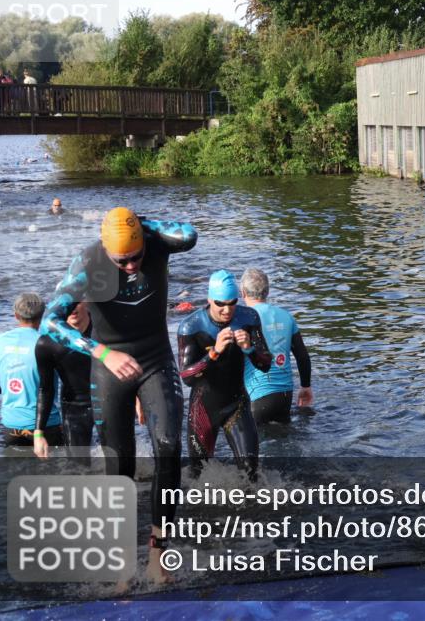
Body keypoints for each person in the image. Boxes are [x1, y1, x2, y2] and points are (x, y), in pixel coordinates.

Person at [41, 207, 197, 583]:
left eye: (136, 258)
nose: (131, 267)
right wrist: (101, 352)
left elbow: (189, 234)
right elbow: (50, 321)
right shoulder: (89, 262)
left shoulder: (156, 242)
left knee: (168, 445)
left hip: (155, 358)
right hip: (109, 364)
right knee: (119, 464)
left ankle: (159, 548)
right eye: (122, 261)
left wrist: (144, 226)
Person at [178, 270, 271, 481]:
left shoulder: (248, 317)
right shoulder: (191, 326)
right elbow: (187, 377)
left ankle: (251, 514)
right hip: (203, 409)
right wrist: (214, 352)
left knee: (251, 473)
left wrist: (249, 348)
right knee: (198, 476)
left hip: (236, 405)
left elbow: (265, 364)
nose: (227, 309)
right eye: (220, 304)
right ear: (210, 299)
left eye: (232, 302)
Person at [0, 293, 64, 448]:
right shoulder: (49, 342)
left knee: (16, 470)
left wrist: (8, 391)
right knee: (54, 469)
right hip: (47, 424)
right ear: (42, 315)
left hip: (12, 426)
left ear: (16, 315)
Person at [240, 268, 313, 424]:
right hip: (285, 396)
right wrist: (305, 387)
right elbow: (302, 356)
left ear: (243, 292)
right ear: (267, 291)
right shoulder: (286, 316)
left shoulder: (242, 318)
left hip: (256, 397)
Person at [34, 301, 93, 460]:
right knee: (78, 464)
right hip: (75, 404)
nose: (71, 308)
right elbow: (45, 389)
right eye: (65, 303)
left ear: (87, 302)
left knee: (119, 459)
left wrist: (137, 397)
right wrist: (38, 433)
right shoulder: (47, 343)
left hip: (109, 401)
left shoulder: (105, 331)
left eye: (76, 302)